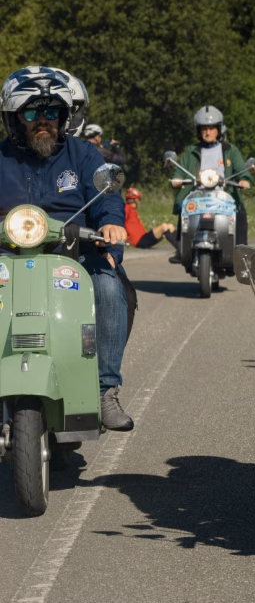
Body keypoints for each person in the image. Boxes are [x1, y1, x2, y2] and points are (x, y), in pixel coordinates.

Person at [0, 66, 133, 430]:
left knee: (107, 285)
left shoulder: (83, 154)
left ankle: (106, 390)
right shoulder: (2, 157)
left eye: (52, 112)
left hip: (73, 252)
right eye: (31, 113)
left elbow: (107, 196)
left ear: (65, 116)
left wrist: (111, 225)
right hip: (7, 255)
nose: (42, 121)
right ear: (14, 118)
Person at [169, 106, 252, 263]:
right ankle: (181, 249)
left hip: (224, 193)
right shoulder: (191, 151)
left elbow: (241, 169)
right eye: (204, 128)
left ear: (219, 129)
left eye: (212, 128)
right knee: (185, 208)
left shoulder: (230, 150)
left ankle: (242, 254)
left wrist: (244, 179)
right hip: (197, 192)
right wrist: (177, 178)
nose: (208, 132)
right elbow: (181, 170)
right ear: (198, 131)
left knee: (239, 212)